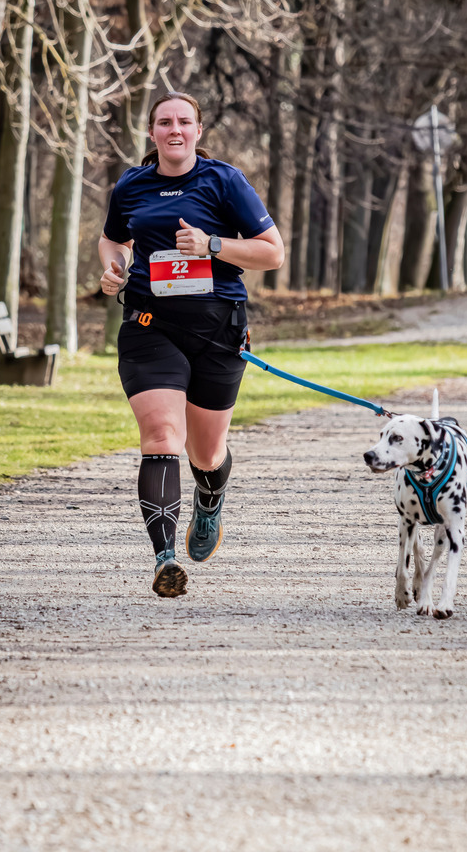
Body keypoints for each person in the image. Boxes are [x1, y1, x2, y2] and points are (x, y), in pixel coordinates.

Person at [99, 91, 284, 598]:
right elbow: (112, 238)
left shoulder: (224, 181)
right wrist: (114, 269)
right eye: (164, 122)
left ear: (198, 131)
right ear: (152, 131)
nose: (174, 129)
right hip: (148, 325)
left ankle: (209, 500)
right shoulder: (131, 185)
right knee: (161, 436)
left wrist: (213, 245)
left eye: (184, 121)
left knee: (205, 453)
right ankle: (164, 559)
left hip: (216, 331)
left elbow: (272, 253)